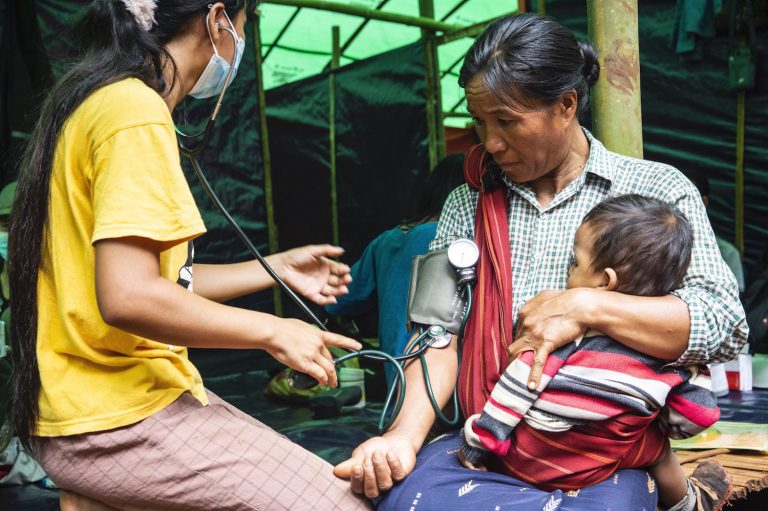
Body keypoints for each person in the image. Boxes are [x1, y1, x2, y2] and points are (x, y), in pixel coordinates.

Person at [334, 13, 747, 511]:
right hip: (488, 439)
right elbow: (436, 337)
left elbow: (724, 323)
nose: (490, 142)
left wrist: (585, 308)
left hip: (604, 451)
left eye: (507, 120)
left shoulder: (655, 191)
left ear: (566, 105)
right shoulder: (467, 205)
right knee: (400, 499)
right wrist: (402, 436)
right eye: (479, 120)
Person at [8, 1, 371, 510]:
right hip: (117, 412)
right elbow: (130, 297)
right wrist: (274, 331)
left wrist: (275, 269)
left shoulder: (98, 102)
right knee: (343, 503)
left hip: (76, 408)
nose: (244, 41)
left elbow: (157, 281)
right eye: (247, 26)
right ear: (219, 20)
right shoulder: (134, 112)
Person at [460, 194, 729, 511]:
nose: (569, 270)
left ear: (605, 281)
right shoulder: (667, 354)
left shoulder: (562, 335)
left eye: (574, 262)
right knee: (656, 448)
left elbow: (516, 389)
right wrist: (656, 424)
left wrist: (480, 444)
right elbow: (698, 414)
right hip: (602, 460)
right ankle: (689, 504)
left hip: (534, 460)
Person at [325, 153, 465, 388]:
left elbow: (339, 301)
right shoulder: (459, 242)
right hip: (448, 385)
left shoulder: (386, 240)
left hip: (397, 381)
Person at [690, 174, 745, 293]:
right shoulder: (661, 247)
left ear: (703, 202)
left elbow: (734, 303)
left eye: (686, 200)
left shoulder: (727, 254)